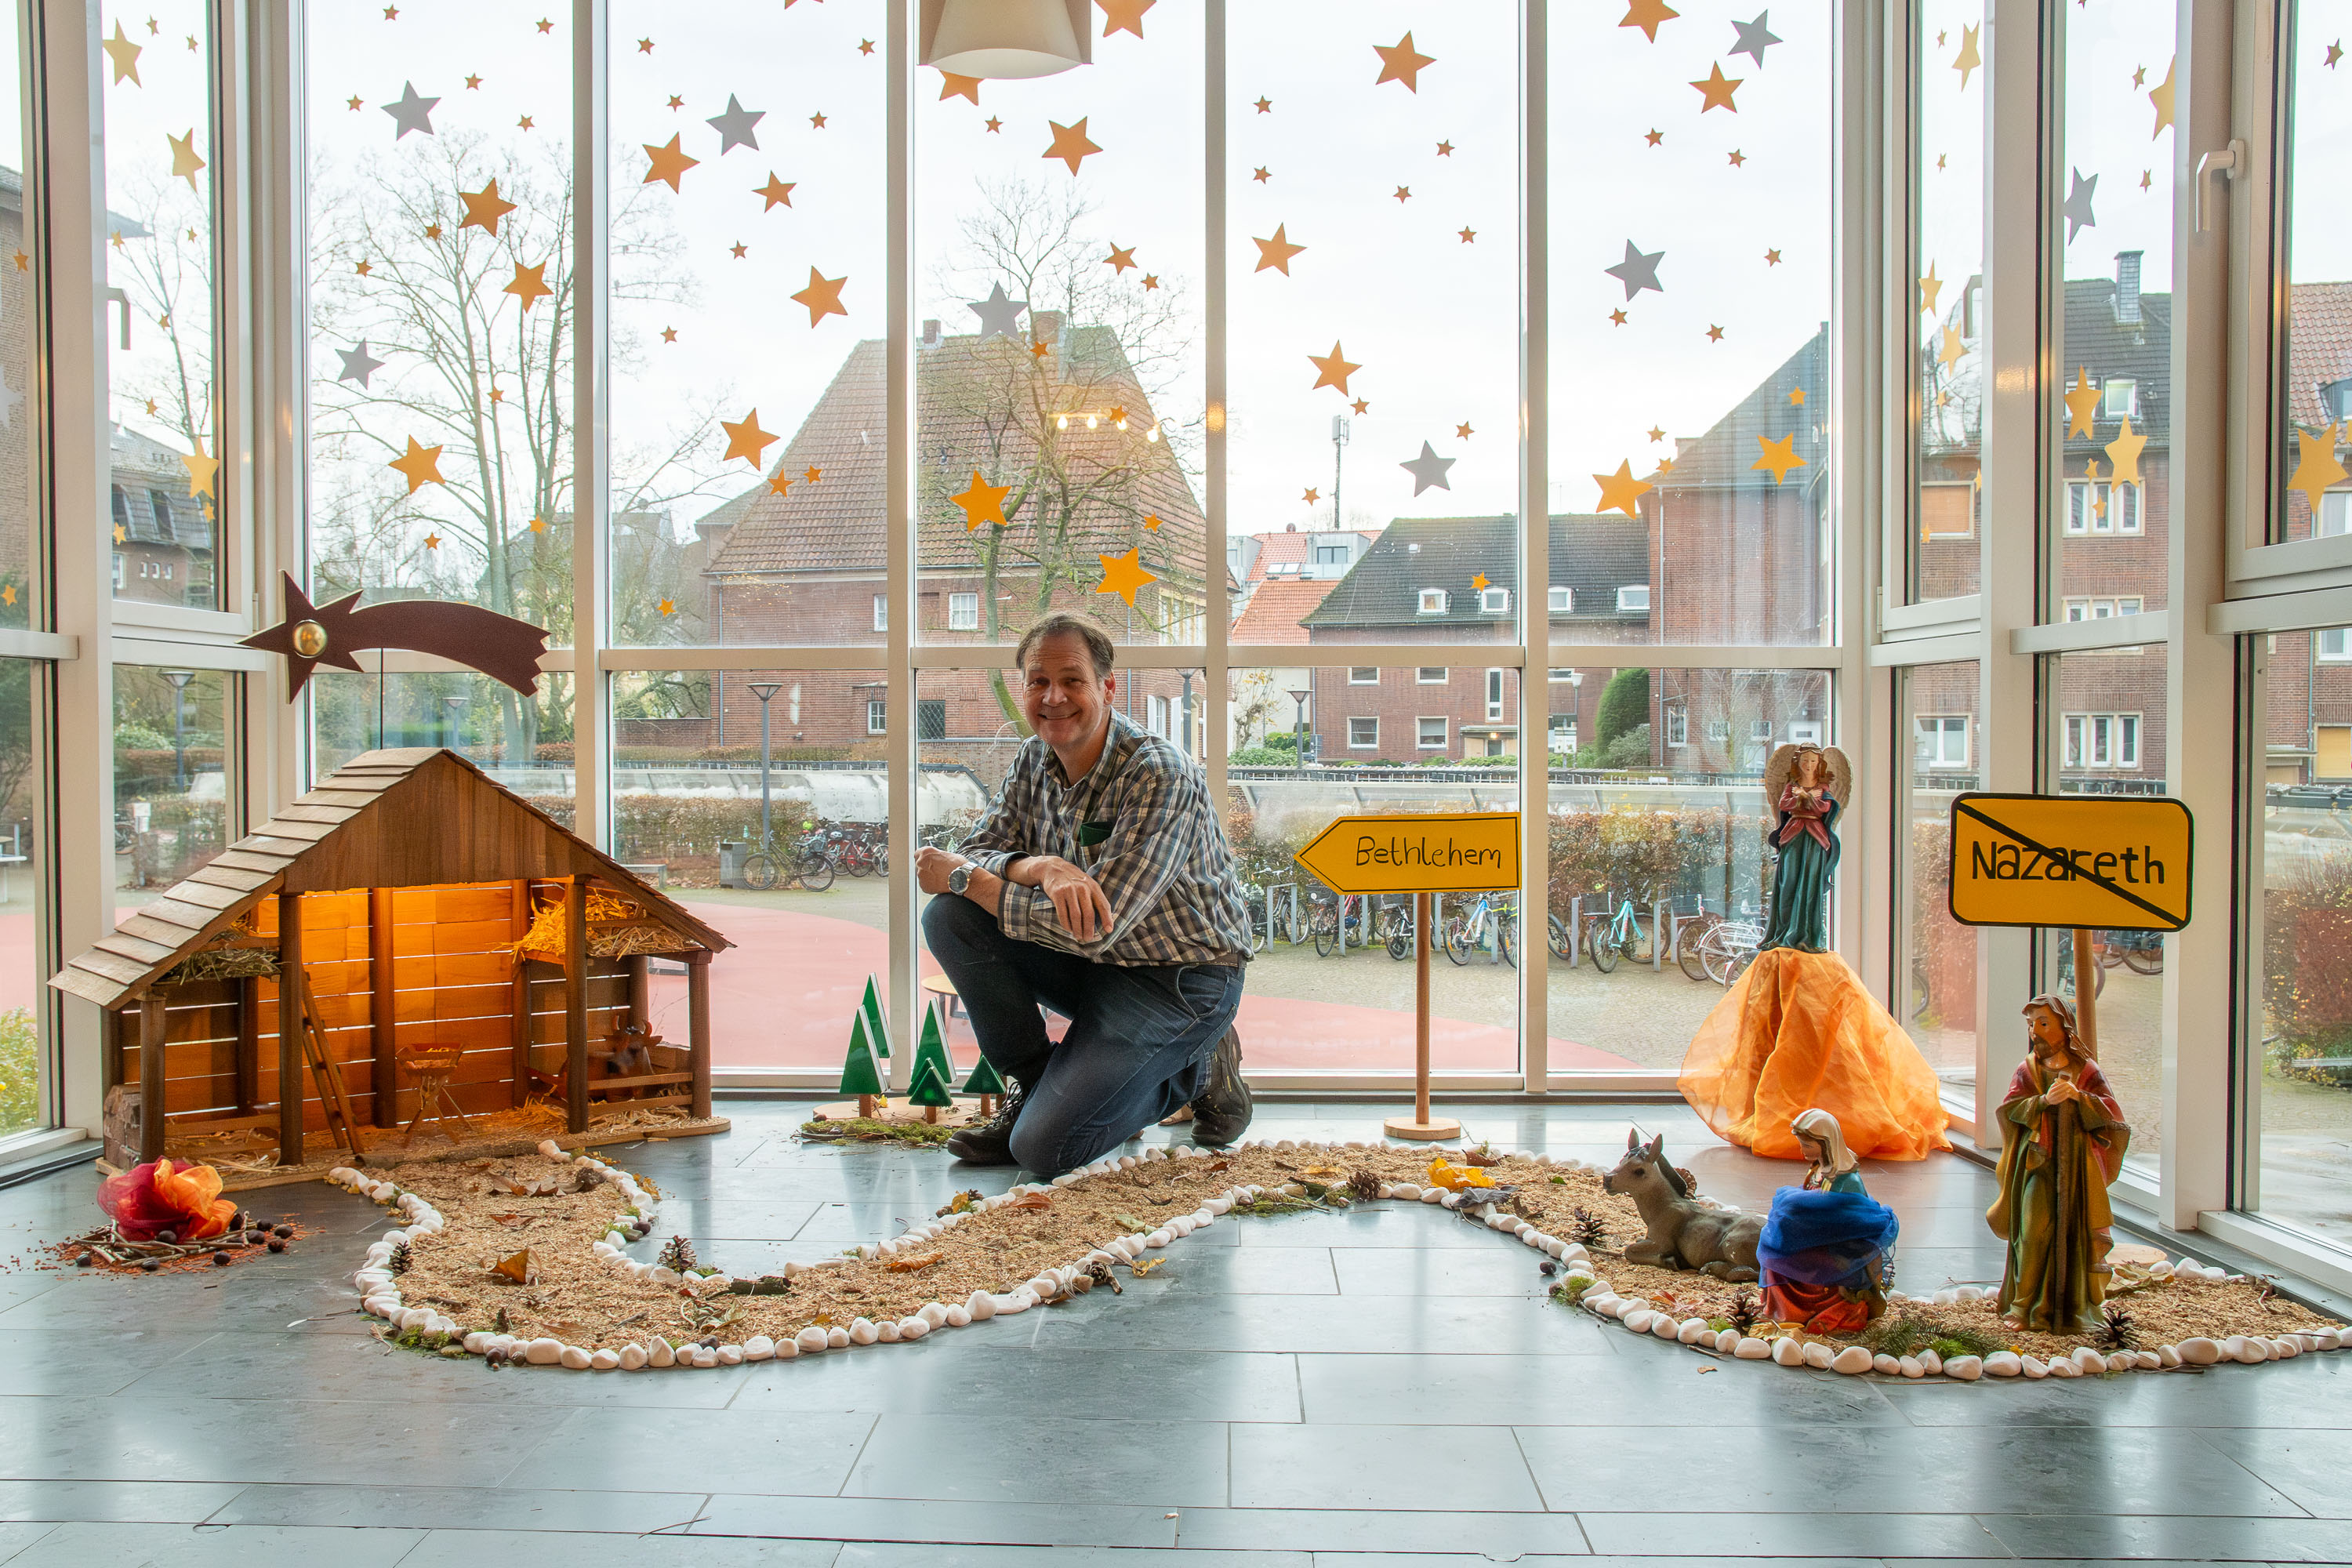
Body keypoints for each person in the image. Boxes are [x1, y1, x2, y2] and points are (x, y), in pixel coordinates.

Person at [916, 613, 1254, 1172]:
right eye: (1038, 681)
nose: (1053, 697)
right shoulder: (1033, 758)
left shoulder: (1159, 774)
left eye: (1072, 680)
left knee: (1044, 1150)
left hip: (1180, 980)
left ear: (1107, 687)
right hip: (1095, 967)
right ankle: (1033, 1084)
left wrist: (970, 877)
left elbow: (1098, 928)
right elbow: (979, 848)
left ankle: (1198, 1066)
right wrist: (1037, 866)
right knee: (950, 917)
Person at [1987, 993, 2129, 1332]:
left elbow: (2111, 1114)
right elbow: (2009, 1110)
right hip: (2039, 1162)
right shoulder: (2028, 1069)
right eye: (2031, 1024)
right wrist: (2042, 1101)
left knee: (2075, 1233)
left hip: (2078, 1167)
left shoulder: (2086, 1070)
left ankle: (2073, 1308)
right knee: (2032, 1231)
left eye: (2043, 1023)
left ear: (2065, 1027)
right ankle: (2023, 1307)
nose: (2035, 1031)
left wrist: (2080, 1098)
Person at [1756, 1107, 1899, 1334]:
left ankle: (1800, 1312)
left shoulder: (1846, 1179)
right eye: (1802, 1144)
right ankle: (1782, 1310)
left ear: (1826, 1144)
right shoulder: (1818, 1170)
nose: (1802, 1150)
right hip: (1816, 1237)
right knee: (1773, 1248)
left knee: (1781, 1256)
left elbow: (1849, 1222)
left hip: (1839, 1248)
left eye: (1807, 1145)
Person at [1760, 744, 1839, 953]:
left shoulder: (1823, 787)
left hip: (1814, 838)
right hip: (1793, 836)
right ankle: (1783, 932)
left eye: (1813, 761)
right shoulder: (1791, 785)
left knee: (1809, 885)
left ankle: (1807, 936)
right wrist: (1802, 798)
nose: (1809, 765)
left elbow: (1825, 807)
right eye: (1805, 761)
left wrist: (1805, 797)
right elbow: (1784, 805)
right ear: (1798, 762)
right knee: (1789, 882)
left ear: (1819, 764)